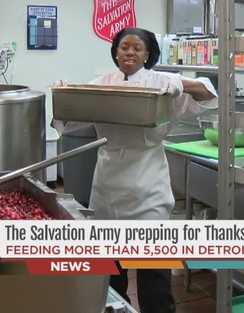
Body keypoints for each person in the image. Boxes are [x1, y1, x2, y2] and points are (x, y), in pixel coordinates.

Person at [54, 28, 217, 313]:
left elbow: (209, 92)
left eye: (137, 48)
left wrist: (183, 83)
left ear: (148, 54)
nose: (129, 52)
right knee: (108, 266)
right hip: (108, 180)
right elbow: (68, 123)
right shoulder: (102, 83)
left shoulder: (162, 83)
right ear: (115, 51)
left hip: (147, 182)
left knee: (152, 269)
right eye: (124, 47)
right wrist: (64, 97)